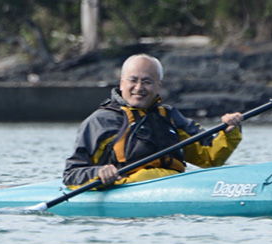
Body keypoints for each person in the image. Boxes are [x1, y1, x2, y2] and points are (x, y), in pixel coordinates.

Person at [63, 53, 243, 188]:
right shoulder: (100, 122)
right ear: (121, 83)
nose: (139, 88)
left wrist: (228, 131)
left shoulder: (170, 116)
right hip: (128, 191)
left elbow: (210, 157)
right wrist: (98, 173)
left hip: (174, 187)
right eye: (133, 80)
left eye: (147, 82)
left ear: (159, 85)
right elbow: (72, 174)